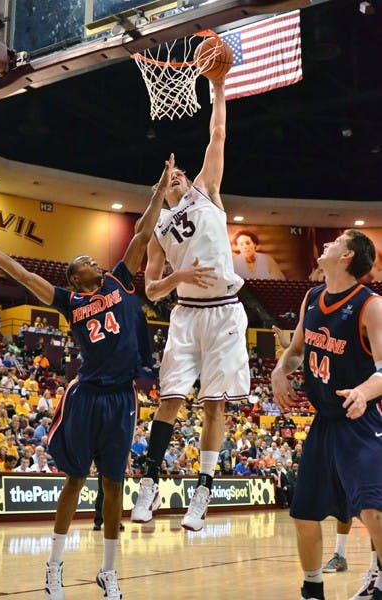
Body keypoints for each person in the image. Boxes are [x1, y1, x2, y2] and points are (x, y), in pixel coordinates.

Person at [0, 155, 173, 600]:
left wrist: (160, 187)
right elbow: (23, 273)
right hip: (86, 395)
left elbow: (144, 229)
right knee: (74, 480)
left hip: (122, 397)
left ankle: (108, 573)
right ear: (76, 277)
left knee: (113, 485)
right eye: (87, 260)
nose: (96, 260)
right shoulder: (69, 301)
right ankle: (54, 567)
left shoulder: (122, 280)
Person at [131, 76, 250, 532]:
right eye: (170, 176)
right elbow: (151, 289)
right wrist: (178, 275)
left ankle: (202, 491)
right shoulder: (158, 228)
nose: (177, 175)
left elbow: (217, 134)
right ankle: (149, 482)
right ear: (162, 186)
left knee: (214, 404)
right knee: (170, 399)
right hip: (186, 313)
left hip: (224, 311)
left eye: (180, 173)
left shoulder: (207, 191)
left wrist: (218, 88)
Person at [271, 229, 382, 600]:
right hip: (324, 421)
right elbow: (298, 348)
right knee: (304, 514)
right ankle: (312, 589)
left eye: (336, 242)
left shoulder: (371, 305)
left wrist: (364, 392)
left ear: (348, 256)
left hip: (361, 419)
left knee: (374, 511)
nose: (327, 245)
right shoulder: (313, 296)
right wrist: (279, 371)